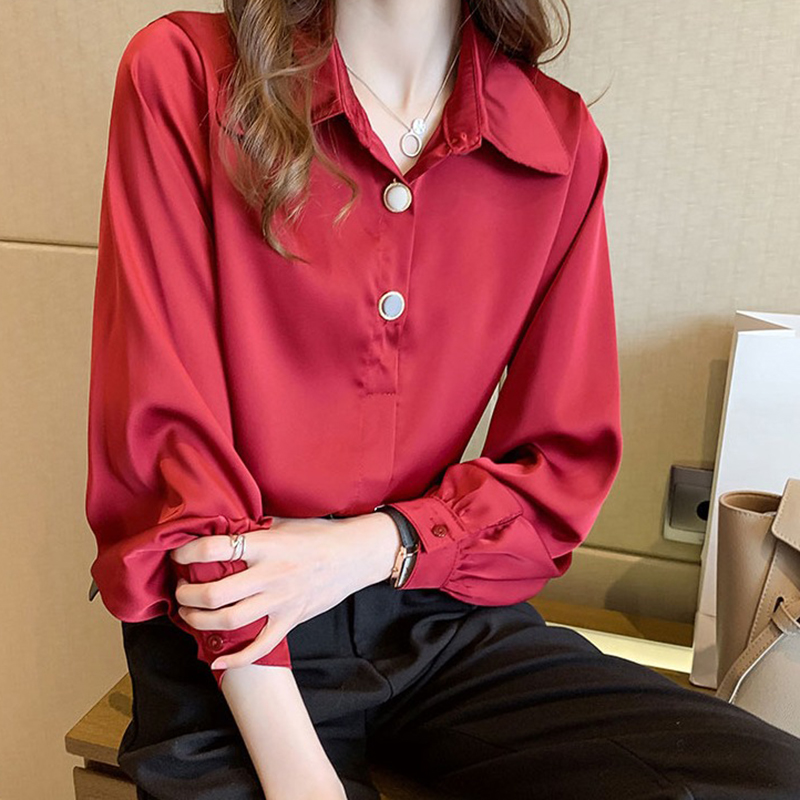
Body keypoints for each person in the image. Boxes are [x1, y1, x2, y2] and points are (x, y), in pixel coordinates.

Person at [84, 0, 800, 798]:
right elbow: (170, 449)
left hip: (429, 608)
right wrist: (299, 773)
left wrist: (374, 547)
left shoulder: (556, 142)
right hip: (221, 638)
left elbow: (559, 466)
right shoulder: (188, 76)